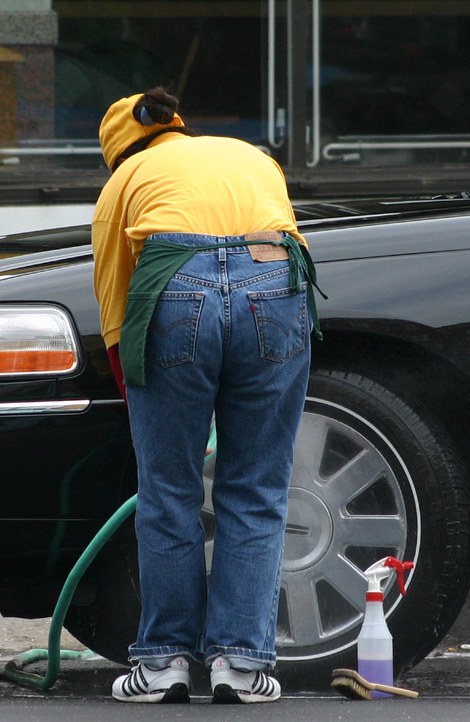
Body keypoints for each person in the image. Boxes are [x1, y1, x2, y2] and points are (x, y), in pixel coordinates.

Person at [91, 87, 317, 704]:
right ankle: (241, 666)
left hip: (173, 280)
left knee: (169, 490)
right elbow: (292, 246)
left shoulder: (124, 182)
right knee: (256, 487)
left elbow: (116, 310)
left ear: (117, 152)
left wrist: (137, 390)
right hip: (273, 278)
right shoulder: (251, 157)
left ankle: (165, 664)